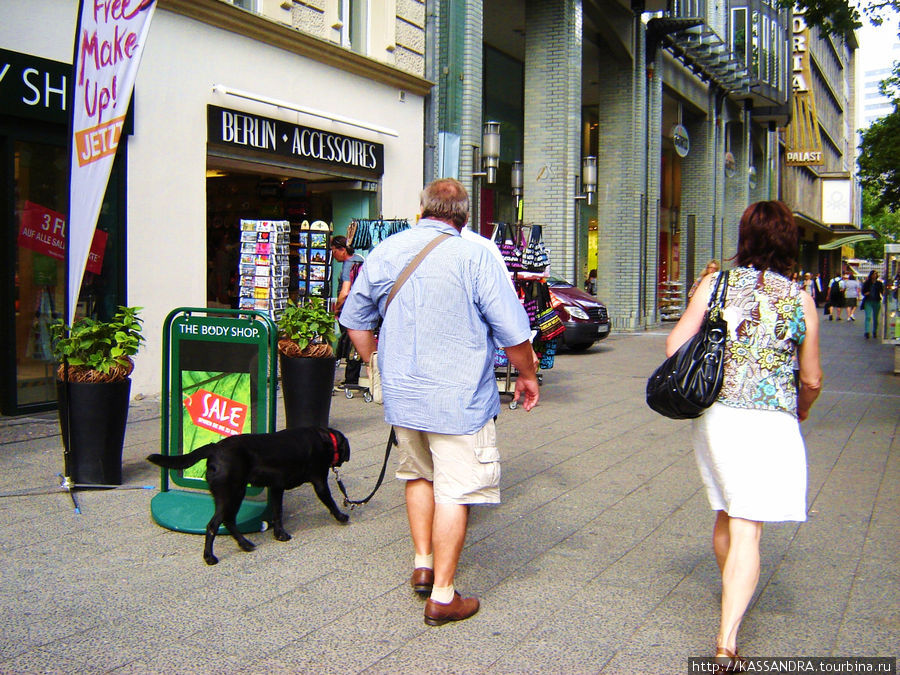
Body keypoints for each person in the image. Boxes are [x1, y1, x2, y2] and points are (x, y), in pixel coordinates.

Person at [340, 178, 540, 626]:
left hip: (404, 396)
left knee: (417, 473)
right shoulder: (476, 256)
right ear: (464, 216)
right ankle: (444, 596)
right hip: (459, 396)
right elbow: (514, 333)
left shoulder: (386, 251)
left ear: (422, 209)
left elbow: (353, 320)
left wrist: (375, 361)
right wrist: (527, 376)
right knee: (458, 488)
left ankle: (422, 565)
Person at [665, 201, 822, 670]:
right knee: (748, 526)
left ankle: (732, 586)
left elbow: (675, 346)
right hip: (771, 418)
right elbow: (811, 379)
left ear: (745, 239)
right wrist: (803, 410)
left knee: (727, 506)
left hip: (717, 415)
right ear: (789, 243)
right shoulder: (799, 299)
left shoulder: (716, 285)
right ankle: (726, 642)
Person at [330, 235, 365, 386]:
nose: (333, 254)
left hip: (349, 310)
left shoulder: (347, 264)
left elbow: (345, 291)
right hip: (363, 308)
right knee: (355, 344)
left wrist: (336, 309)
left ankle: (350, 380)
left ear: (342, 250)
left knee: (348, 343)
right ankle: (352, 378)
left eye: (333, 251)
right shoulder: (361, 259)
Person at [861, 270, 884, 339]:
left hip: (876, 301)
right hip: (868, 301)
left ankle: (875, 331)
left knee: (876, 318)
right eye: (873, 274)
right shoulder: (867, 283)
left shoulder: (879, 283)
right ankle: (867, 332)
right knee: (868, 317)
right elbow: (863, 292)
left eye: (876, 274)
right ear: (871, 275)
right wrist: (866, 293)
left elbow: (882, 292)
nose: (874, 275)